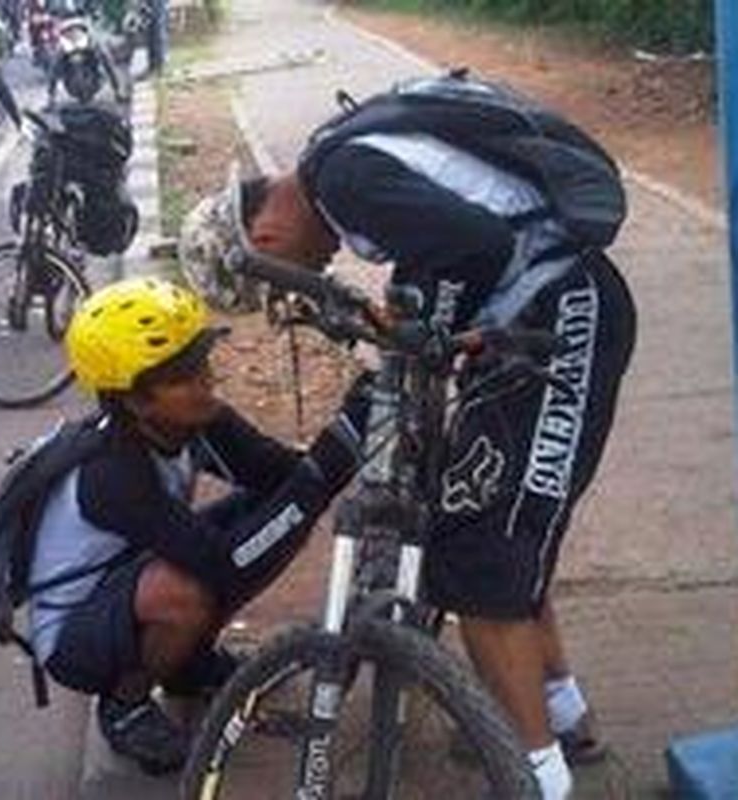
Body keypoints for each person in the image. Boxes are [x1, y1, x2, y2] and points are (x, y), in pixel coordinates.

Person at [180, 87, 637, 799]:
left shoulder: (344, 182)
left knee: (481, 554)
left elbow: (477, 246)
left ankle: (541, 781)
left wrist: (423, 327)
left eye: (284, 286)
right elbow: (452, 245)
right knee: (499, 534)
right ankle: (561, 713)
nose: (310, 279)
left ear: (263, 243)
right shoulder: (342, 161)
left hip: (559, 318)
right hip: (537, 318)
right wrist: (414, 310)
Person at [26, 276, 365, 773]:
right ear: (136, 400)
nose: (206, 381)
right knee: (187, 589)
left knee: (269, 508)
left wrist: (338, 444)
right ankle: (125, 706)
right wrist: (321, 475)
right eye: (183, 376)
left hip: (128, 580)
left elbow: (283, 478)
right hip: (74, 635)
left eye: (201, 363)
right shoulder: (112, 472)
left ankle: (185, 666)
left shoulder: (197, 421)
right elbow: (224, 567)